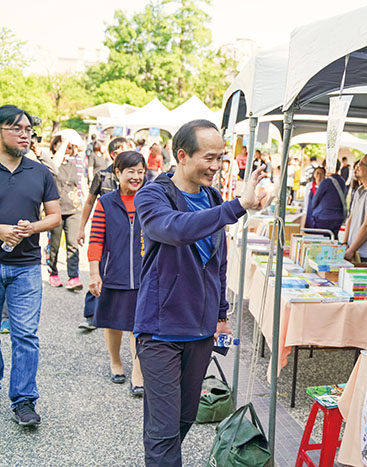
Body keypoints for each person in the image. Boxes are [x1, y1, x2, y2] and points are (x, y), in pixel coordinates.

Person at [134, 119, 265, 466]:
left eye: (221, 158)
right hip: (160, 330)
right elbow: (175, 230)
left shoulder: (212, 197)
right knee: (162, 431)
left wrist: (221, 315)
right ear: (182, 155)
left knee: (184, 418)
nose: (217, 166)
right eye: (209, 158)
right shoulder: (153, 195)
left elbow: (218, 263)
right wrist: (236, 207)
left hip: (201, 329)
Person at [0, 105, 61, 426]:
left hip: (25, 265)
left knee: (25, 335)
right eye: (17, 129)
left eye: (28, 130)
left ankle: (24, 400)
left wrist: (32, 227)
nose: (25, 134)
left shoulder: (40, 172)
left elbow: (54, 216)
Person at [88, 151, 146, 395]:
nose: (136, 177)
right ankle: (115, 361)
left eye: (140, 171)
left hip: (144, 272)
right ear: (117, 173)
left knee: (139, 324)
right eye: (130, 171)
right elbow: (96, 240)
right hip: (114, 271)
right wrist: (94, 272)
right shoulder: (105, 203)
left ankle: (138, 371)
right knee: (113, 322)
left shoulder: (150, 199)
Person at [76, 136, 128, 331]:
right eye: (124, 150)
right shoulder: (102, 176)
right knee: (98, 268)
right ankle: (91, 315)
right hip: (104, 230)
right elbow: (89, 202)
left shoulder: (135, 176)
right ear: (113, 154)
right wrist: (81, 228)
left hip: (126, 232)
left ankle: (117, 312)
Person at [45, 133, 87, 291]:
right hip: (55, 210)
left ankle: (73, 277)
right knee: (54, 245)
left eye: (70, 147)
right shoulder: (49, 163)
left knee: (73, 243)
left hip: (74, 209)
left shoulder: (75, 163)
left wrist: (85, 202)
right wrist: (63, 141)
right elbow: (54, 166)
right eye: (64, 146)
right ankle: (53, 273)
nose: (67, 149)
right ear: (55, 146)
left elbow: (81, 183)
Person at [310, 161, 347, 239]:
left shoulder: (326, 182)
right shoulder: (342, 181)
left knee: (322, 243)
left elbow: (315, 201)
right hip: (338, 217)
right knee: (333, 240)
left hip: (323, 218)